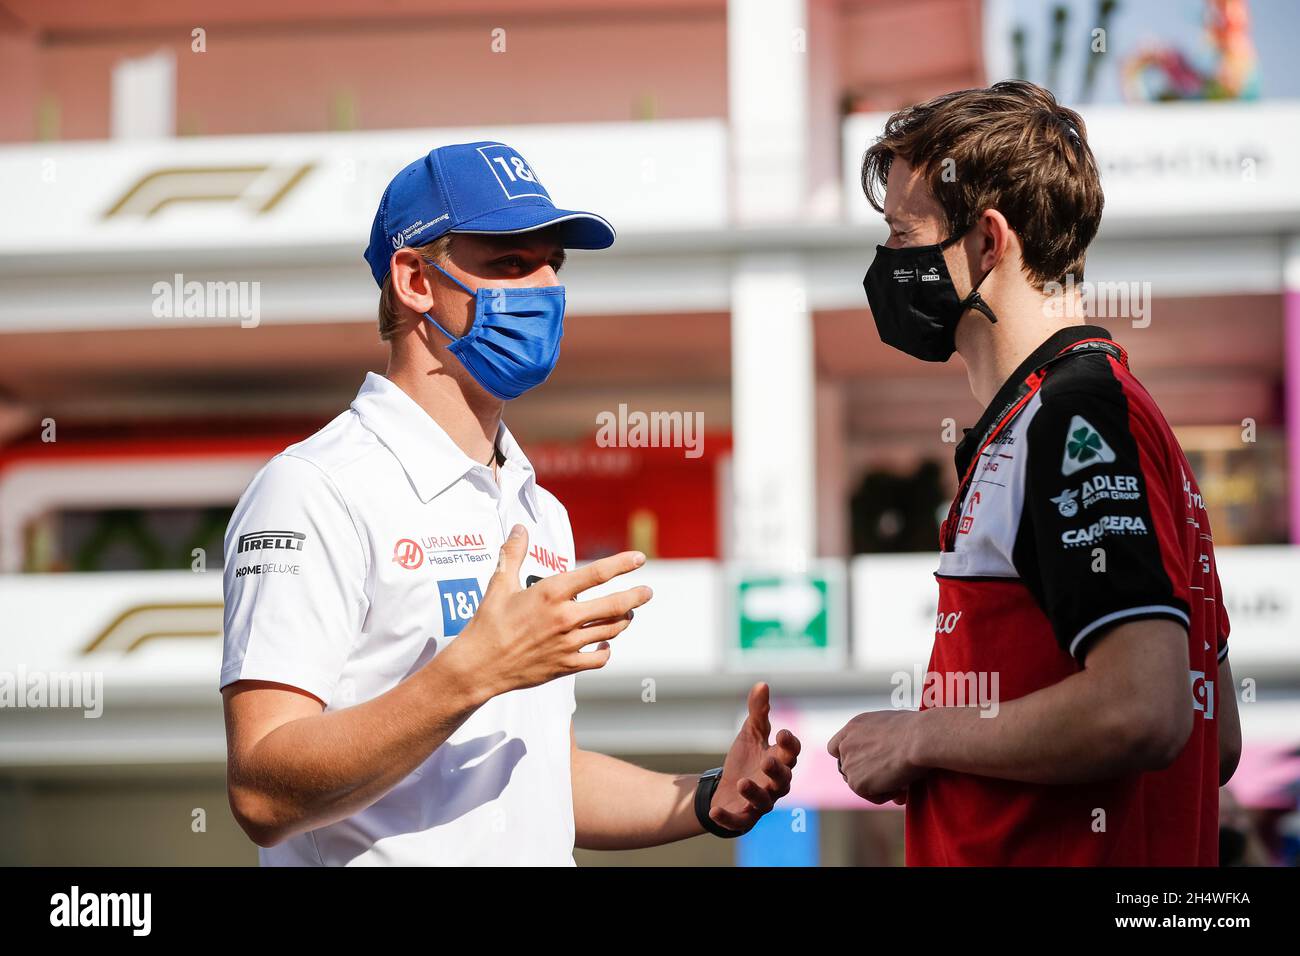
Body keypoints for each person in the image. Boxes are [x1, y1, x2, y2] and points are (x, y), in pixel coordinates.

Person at [219, 142, 800, 865]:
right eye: (509, 263)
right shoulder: (314, 488)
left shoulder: (535, 506)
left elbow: (543, 778)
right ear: (414, 280)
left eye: (554, 262)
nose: (547, 286)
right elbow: (263, 793)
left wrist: (708, 797)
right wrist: (473, 673)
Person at [828, 82, 1241, 865]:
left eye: (902, 235)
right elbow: (1215, 738)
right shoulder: (1106, 414)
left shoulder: (1071, 418)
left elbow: (1147, 711)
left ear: (987, 244)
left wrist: (919, 737)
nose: (888, 263)